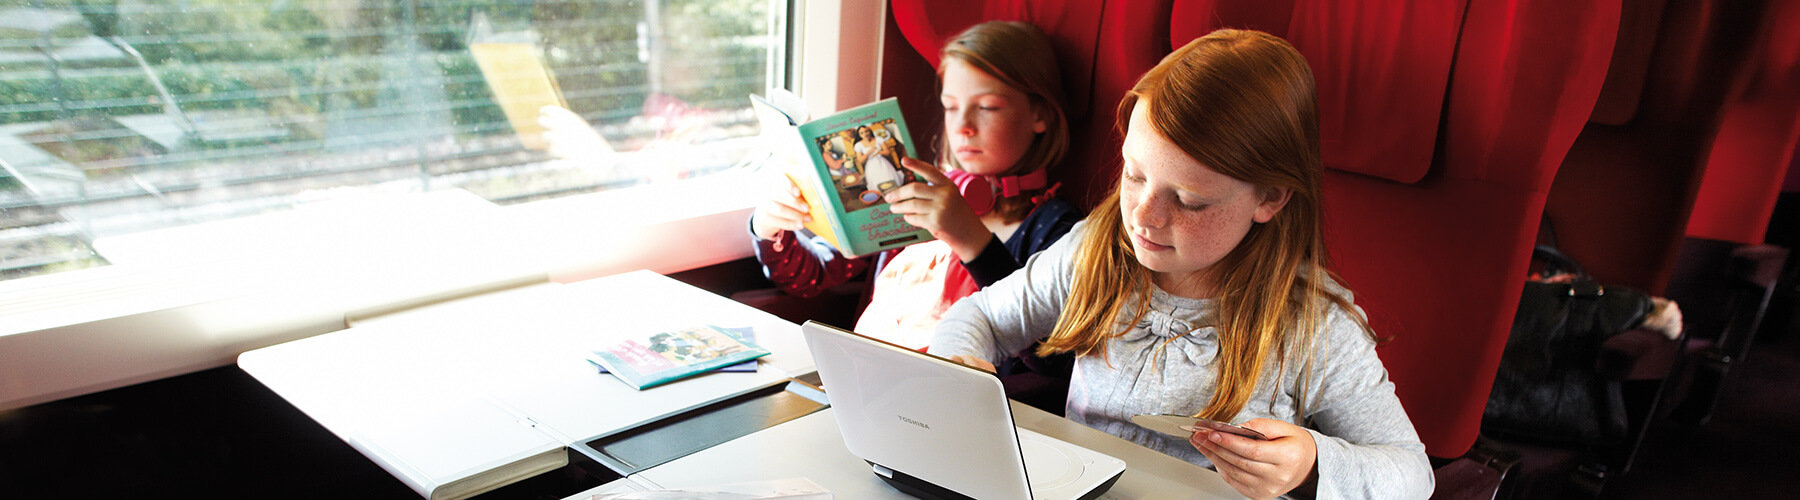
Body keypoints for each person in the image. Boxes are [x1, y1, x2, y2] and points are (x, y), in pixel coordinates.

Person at [929, 29, 1433, 499]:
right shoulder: (1099, 250)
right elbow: (981, 317)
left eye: (1189, 201)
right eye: (1133, 175)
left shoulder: (1310, 322)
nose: (1144, 217)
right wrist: (958, 367)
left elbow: (1413, 473)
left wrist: (1311, 462)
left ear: (1270, 198)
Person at [748, 21, 1083, 353]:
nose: (963, 126)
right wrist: (769, 226)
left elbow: (1048, 351)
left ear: (1040, 115)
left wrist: (972, 242)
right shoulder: (915, 191)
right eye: (951, 107)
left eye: (987, 107)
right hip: (862, 379)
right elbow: (812, 276)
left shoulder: (1056, 228)